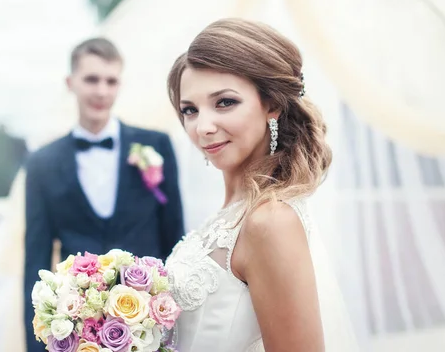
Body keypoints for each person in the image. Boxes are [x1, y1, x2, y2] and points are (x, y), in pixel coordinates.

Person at [164, 18, 359, 351]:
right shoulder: (232, 214)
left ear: (272, 105)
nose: (203, 126)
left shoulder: (270, 222)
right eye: (190, 110)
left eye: (224, 102)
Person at [23, 37, 185, 352]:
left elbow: (174, 239)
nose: (101, 91)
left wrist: (174, 328)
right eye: (91, 79)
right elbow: (36, 261)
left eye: (111, 81)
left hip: (149, 329)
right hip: (76, 332)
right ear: (71, 83)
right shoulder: (41, 163)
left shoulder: (156, 147)